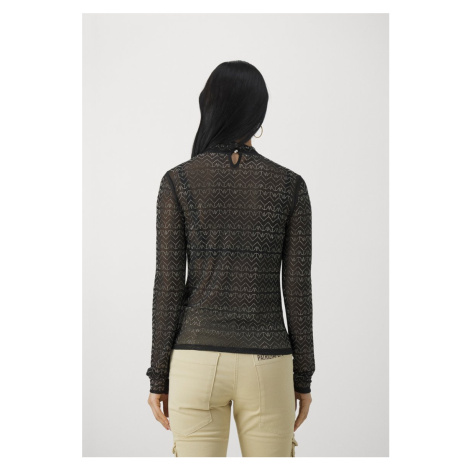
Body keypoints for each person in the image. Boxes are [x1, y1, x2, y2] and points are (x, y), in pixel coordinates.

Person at [146, 60, 315, 457]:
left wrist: (159, 377)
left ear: (209, 106)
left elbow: (168, 285)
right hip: (268, 363)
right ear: (259, 113)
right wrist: (302, 377)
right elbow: (297, 290)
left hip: (195, 360)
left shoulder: (178, 181)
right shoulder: (290, 187)